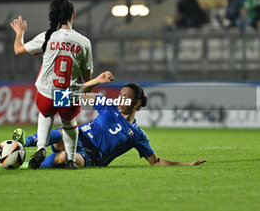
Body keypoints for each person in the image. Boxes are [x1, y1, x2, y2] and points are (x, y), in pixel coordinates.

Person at [13, 72, 207, 168]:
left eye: (126, 97)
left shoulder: (137, 135)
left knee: (63, 157)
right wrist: (97, 80)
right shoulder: (108, 104)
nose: (121, 99)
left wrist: (186, 165)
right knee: (65, 135)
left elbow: (155, 161)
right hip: (79, 136)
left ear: (137, 103)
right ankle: (25, 142)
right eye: (120, 95)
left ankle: (25, 164)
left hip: (92, 156)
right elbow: (80, 94)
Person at [10, 0, 93, 169]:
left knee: (46, 114)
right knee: (69, 123)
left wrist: (20, 32)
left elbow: (18, 49)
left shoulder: (47, 37)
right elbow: (87, 77)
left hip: (47, 92)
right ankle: (71, 159)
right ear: (73, 15)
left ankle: (41, 147)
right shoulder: (84, 42)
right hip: (66, 93)